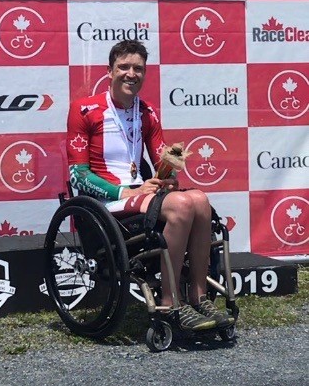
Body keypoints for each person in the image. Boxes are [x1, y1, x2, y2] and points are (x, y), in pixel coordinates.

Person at [66, 39, 234, 331]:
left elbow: (161, 158)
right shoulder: (84, 110)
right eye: (124, 67)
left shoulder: (147, 112)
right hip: (107, 201)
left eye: (138, 69)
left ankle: (199, 297)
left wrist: (169, 174)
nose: (131, 74)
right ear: (109, 71)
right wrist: (124, 191)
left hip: (141, 194)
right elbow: (77, 175)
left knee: (200, 200)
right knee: (182, 205)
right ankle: (171, 303)